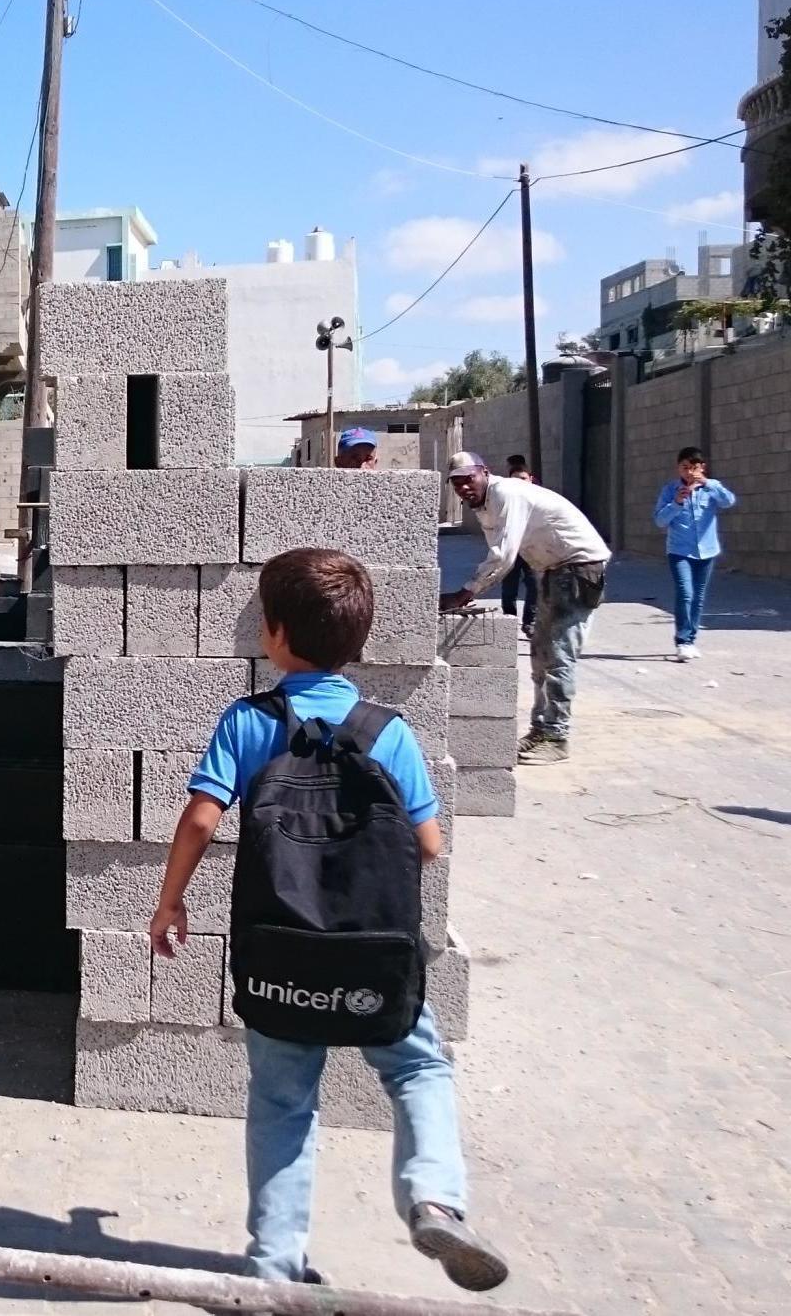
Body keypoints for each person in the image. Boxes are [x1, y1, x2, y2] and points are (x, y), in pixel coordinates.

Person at [148, 549, 507, 1292]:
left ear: (274, 634)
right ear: (360, 639)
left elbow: (199, 819)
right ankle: (433, 1197)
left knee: (282, 1104)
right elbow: (429, 846)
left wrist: (169, 900)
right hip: (371, 958)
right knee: (418, 1066)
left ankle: (274, 1271)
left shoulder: (249, 723)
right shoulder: (388, 732)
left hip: (279, 953)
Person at [440, 452, 610, 765]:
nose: (464, 486)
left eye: (469, 478)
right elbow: (498, 551)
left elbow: (504, 556)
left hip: (577, 568)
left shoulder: (506, 492)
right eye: (457, 482)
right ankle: (540, 730)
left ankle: (557, 737)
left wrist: (466, 592)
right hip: (550, 569)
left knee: (558, 655)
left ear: (485, 473)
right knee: (540, 655)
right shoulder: (483, 504)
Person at [655, 446, 737, 662]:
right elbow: (660, 520)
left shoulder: (712, 488)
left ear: (702, 468)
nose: (689, 472)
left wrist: (707, 483)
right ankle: (682, 642)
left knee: (698, 598)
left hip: (707, 550)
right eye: (685, 468)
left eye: (694, 467)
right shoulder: (670, 490)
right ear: (678, 468)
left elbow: (729, 501)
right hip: (679, 551)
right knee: (686, 593)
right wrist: (676, 503)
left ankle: (691, 639)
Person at [498, 456, 536, 636]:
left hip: (533, 549)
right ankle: (509, 622)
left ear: (530, 478)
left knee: (535, 585)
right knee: (509, 588)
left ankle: (531, 622)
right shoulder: (504, 500)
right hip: (511, 549)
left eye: (523, 479)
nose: (520, 483)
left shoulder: (540, 498)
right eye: (515, 480)